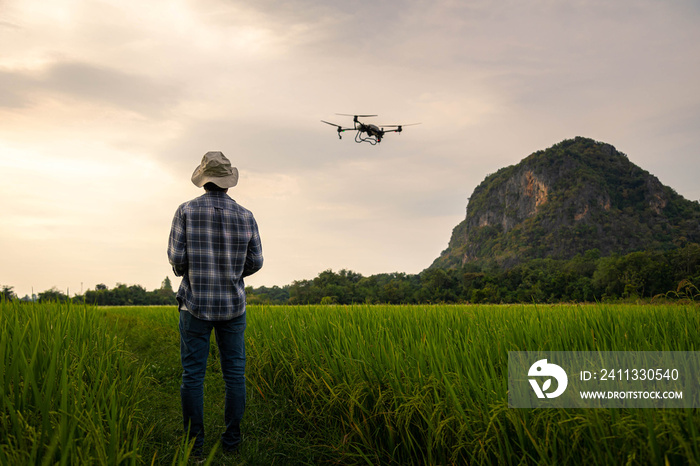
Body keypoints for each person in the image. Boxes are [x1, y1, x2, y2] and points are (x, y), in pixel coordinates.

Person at [168, 151, 263, 458]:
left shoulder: (185, 210)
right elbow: (256, 261)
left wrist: (191, 271)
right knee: (234, 374)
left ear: (204, 179)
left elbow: (176, 259)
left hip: (195, 304)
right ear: (227, 183)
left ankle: (195, 447)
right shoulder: (246, 216)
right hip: (234, 306)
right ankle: (232, 443)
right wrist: (234, 273)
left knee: (193, 375)